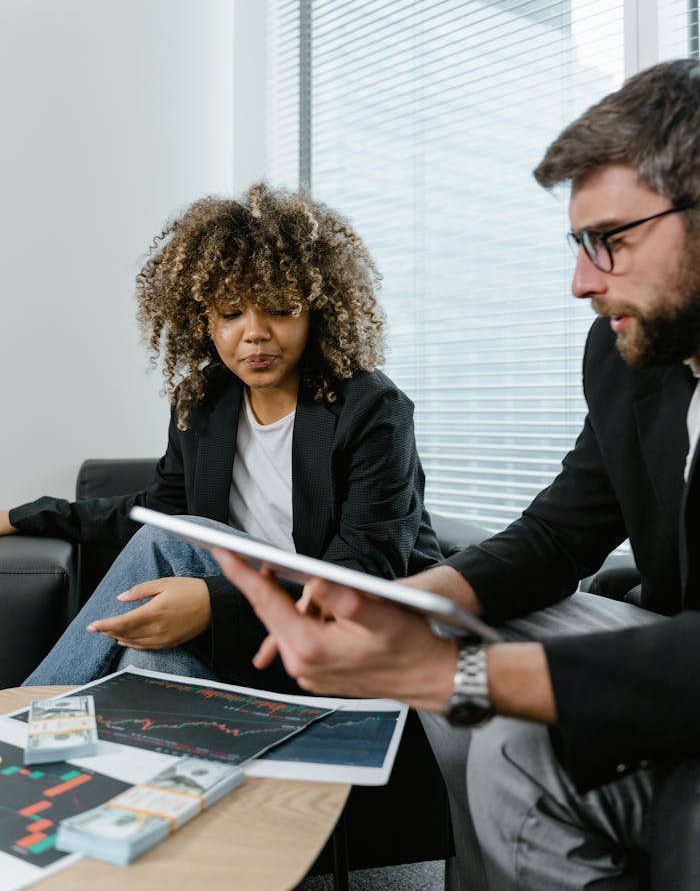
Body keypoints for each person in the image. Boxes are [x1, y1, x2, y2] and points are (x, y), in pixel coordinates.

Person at [213, 59, 700, 891]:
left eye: (611, 241)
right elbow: (560, 532)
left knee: (512, 733)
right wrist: (414, 602)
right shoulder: (628, 358)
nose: (581, 282)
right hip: (665, 629)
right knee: (446, 634)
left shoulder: (367, 407)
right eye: (579, 245)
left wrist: (449, 674)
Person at [1, 184, 440, 687]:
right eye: (231, 313)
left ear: (316, 311)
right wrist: (23, 516)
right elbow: (158, 506)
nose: (254, 333)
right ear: (203, 320)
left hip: (340, 634)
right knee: (148, 660)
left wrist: (213, 601)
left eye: (278, 308)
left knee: (168, 543)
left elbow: (366, 569)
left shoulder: (371, 409)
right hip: (244, 634)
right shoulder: (203, 400)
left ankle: (25, 718)